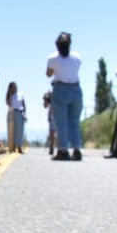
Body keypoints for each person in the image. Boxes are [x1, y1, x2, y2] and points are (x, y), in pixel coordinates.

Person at [45, 31, 83, 161]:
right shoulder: (77, 56)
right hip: (76, 88)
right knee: (74, 121)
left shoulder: (53, 58)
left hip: (60, 89)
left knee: (61, 122)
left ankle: (63, 150)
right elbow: (76, 69)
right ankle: (77, 149)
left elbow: (49, 74)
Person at [4, 82, 26, 153]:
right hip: (12, 113)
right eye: (12, 87)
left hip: (20, 113)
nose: (14, 88)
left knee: (20, 131)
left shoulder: (20, 94)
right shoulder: (9, 95)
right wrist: (10, 94)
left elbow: (24, 105)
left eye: (14, 87)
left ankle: (19, 147)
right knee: (12, 131)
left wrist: (25, 114)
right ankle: (12, 146)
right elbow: (9, 104)